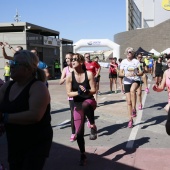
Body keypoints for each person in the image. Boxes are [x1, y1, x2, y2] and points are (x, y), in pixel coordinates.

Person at [0, 50, 53, 170]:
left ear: (28, 69)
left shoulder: (38, 87)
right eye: (12, 62)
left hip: (35, 141)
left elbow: (34, 115)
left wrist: (4, 117)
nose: (11, 66)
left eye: (16, 64)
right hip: (14, 139)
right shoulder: (8, 86)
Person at [66, 53, 97, 166]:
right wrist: (78, 92)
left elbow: (94, 90)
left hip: (89, 101)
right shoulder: (69, 76)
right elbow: (69, 93)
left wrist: (86, 91)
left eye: (74, 59)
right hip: (77, 104)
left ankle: (92, 124)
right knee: (79, 133)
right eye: (70, 60)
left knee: (85, 104)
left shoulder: (88, 74)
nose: (72, 61)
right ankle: (83, 154)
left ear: (81, 61)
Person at [119, 47, 143, 128]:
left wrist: (135, 74)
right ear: (126, 53)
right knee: (128, 102)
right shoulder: (123, 62)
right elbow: (120, 73)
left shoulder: (136, 61)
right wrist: (125, 74)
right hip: (126, 82)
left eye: (130, 52)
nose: (129, 53)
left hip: (135, 80)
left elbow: (141, 72)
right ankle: (130, 120)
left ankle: (134, 109)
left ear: (133, 53)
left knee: (133, 90)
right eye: (127, 52)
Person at [59, 52, 76, 142]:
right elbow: (60, 81)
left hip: (80, 94)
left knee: (82, 112)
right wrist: (67, 78)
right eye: (66, 58)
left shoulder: (78, 68)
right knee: (73, 115)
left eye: (69, 58)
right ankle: (73, 133)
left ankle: (89, 122)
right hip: (71, 95)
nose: (67, 60)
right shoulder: (65, 69)